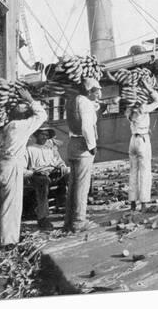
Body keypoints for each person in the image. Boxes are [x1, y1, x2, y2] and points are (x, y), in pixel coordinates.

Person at [0, 88, 47, 247]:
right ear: (20, 114)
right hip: (13, 164)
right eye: (24, 108)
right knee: (11, 203)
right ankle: (8, 241)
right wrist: (30, 98)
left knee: (0, 202)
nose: (27, 110)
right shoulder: (21, 126)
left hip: (2, 165)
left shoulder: (6, 127)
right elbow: (41, 115)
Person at [64, 78, 101, 232]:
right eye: (97, 90)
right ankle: (79, 222)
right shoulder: (85, 102)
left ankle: (68, 222)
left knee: (72, 185)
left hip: (72, 144)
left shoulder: (73, 100)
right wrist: (92, 146)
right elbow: (86, 126)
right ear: (89, 91)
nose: (99, 93)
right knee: (82, 186)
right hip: (83, 145)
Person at [125, 78, 158, 211]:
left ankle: (132, 203)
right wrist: (149, 89)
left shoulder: (129, 110)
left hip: (132, 140)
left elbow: (134, 119)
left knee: (133, 172)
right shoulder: (144, 108)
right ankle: (144, 203)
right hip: (143, 140)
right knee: (145, 172)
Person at [24, 127, 69, 230]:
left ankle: (65, 203)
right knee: (43, 182)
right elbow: (24, 169)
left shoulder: (49, 148)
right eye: (42, 134)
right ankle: (42, 218)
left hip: (52, 172)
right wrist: (34, 172)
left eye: (46, 135)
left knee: (70, 172)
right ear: (36, 135)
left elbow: (58, 161)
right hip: (37, 175)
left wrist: (62, 166)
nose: (45, 137)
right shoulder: (29, 149)